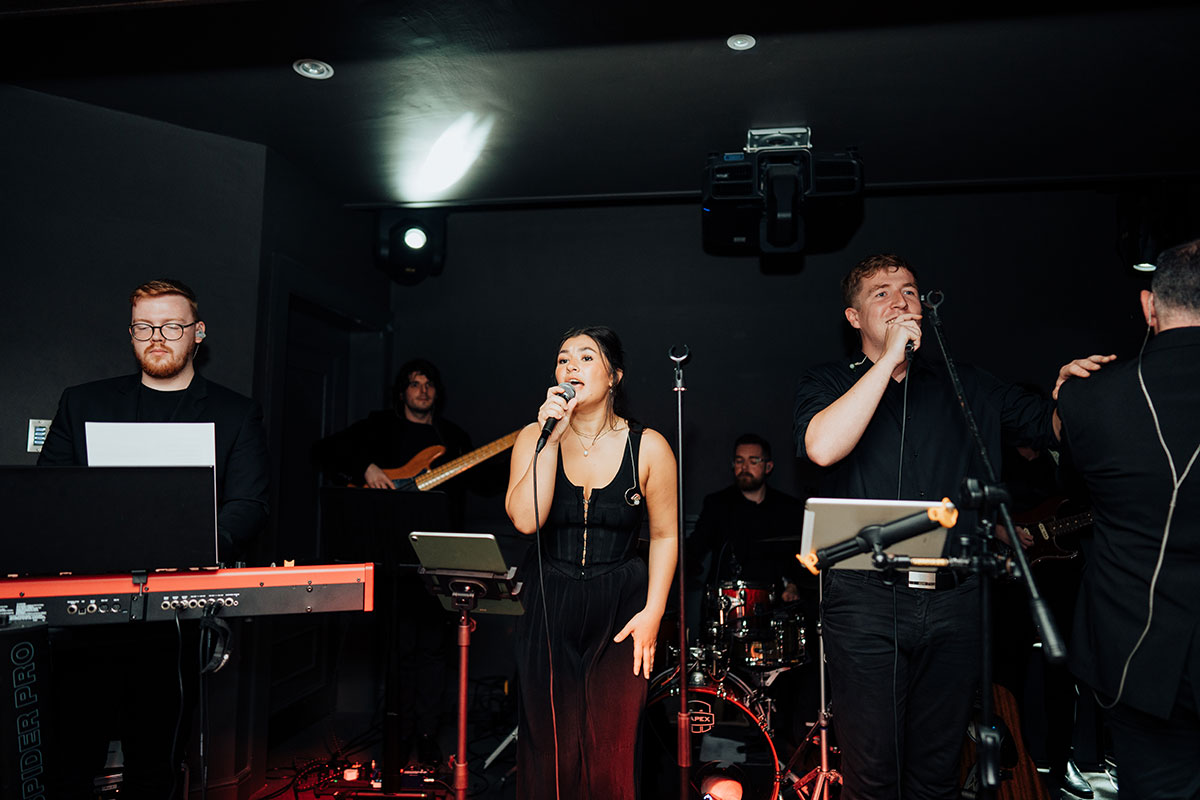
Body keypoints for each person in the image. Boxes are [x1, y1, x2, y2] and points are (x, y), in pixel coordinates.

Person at [792, 253, 1108, 799]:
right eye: (882, 293)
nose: (900, 300)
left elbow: (1050, 427)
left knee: (935, 774)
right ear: (853, 317)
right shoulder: (826, 382)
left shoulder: (967, 384)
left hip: (955, 600)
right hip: (865, 600)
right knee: (872, 777)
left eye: (909, 290)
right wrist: (887, 362)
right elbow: (821, 447)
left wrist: (1070, 394)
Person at [37, 278, 269, 798]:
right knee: (70, 762)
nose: (157, 337)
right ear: (132, 333)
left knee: (156, 763)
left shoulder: (235, 414)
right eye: (144, 327)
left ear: (198, 333)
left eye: (171, 325)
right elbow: (51, 497)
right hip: (87, 615)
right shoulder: (82, 403)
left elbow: (248, 506)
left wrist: (197, 552)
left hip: (174, 621)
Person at [505, 325, 678, 799]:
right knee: (550, 750)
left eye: (585, 357)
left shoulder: (649, 446)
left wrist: (654, 613)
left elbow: (664, 535)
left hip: (622, 606)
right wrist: (550, 437)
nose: (571, 367)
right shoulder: (532, 437)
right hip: (548, 598)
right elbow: (525, 520)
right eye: (563, 359)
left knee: (612, 751)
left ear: (614, 375)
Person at [1058, 238, 1200, 800]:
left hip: (1137, 655)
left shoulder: (1088, 399)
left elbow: (1073, 490)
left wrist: (1066, 400)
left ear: (1149, 306)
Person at [312, 359, 477, 766]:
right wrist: (365, 467)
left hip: (439, 558)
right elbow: (324, 449)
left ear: (437, 392)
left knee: (435, 653)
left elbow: (483, 483)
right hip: (393, 559)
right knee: (399, 650)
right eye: (414, 384)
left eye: (429, 385)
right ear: (401, 391)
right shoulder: (379, 427)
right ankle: (397, 734)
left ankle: (426, 734)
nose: (422, 391)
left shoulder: (452, 438)